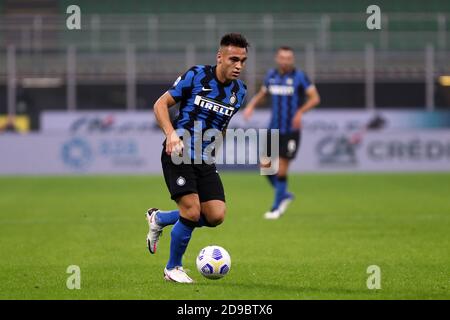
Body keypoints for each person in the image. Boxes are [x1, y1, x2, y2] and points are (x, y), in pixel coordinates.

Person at [146, 33, 249, 283]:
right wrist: (171, 134)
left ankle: (159, 218)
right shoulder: (197, 75)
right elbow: (160, 104)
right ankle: (172, 268)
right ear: (220, 57)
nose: (238, 66)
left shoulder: (240, 92)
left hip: (205, 159)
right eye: (233, 59)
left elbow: (222, 124)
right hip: (178, 154)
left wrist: (216, 148)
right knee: (191, 212)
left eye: (243, 61)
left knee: (215, 216)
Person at [243, 46, 320, 219]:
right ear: (277, 59)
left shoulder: (300, 77)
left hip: (291, 131)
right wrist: (250, 106)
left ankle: (276, 208)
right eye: (282, 57)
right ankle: (284, 194)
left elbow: (315, 98)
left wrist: (300, 112)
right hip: (274, 128)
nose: (285, 61)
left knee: (283, 167)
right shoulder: (271, 75)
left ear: (292, 59)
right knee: (265, 166)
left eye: (288, 58)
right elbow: (263, 94)